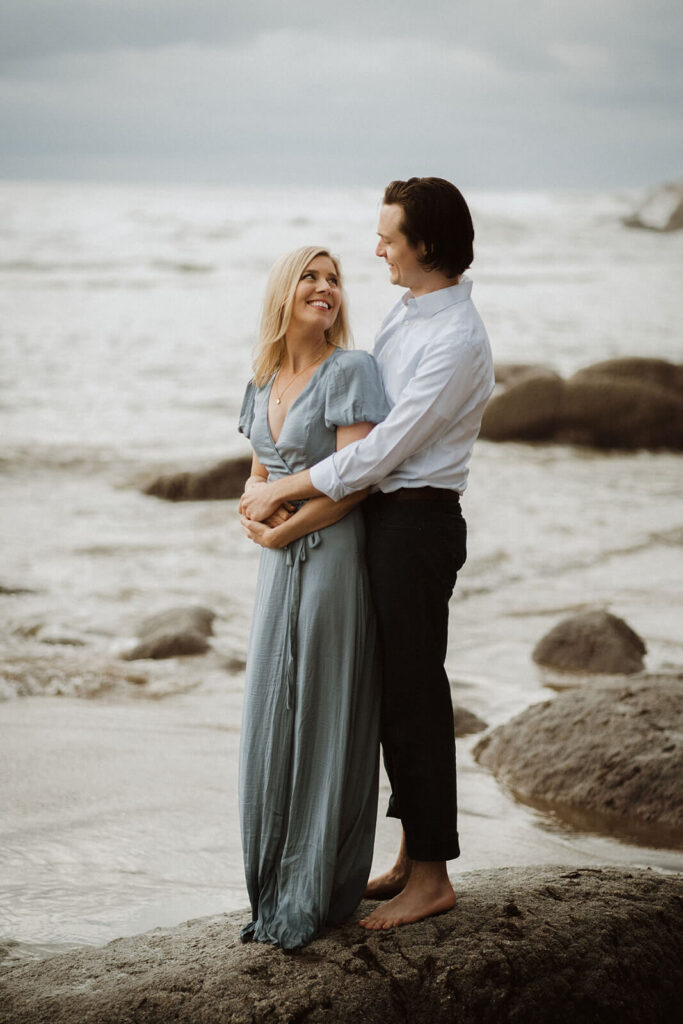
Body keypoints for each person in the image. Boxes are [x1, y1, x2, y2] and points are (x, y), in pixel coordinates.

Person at [241, 177, 495, 931]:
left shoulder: (455, 338)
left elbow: (384, 449)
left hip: (417, 523)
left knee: (415, 695)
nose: (375, 247)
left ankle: (433, 877)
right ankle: (411, 857)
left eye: (388, 235)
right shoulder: (409, 316)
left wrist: (285, 491)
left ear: (425, 243)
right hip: (385, 520)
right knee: (389, 695)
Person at [236, 245, 389, 950]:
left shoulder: (351, 371)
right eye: (310, 276)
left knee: (324, 710)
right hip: (276, 564)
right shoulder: (263, 379)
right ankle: (267, 882)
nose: (324, 287)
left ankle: (316, 889)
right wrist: (252, 514)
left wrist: (282, 524)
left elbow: (353, 483)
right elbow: (258, 475)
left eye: (333, 279)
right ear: (283, 292)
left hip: (330, 558)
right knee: (272, 707)